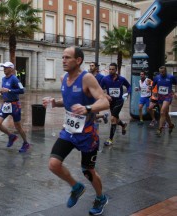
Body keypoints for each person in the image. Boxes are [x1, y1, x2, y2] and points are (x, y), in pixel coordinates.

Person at [43, 47, 109, 215]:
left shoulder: (87, 78)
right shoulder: (63, 77)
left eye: (67, 57)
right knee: (53, 164)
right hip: (69, 131)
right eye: (62, 57)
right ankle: (76, 187)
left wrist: (88, 108)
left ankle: (101, 197)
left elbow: (104, 102)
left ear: (78, 60)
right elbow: (67, 101)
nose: (63, 60)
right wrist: (53, 102)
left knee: (88, 171)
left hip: (87, 134)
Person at [0, 61, 30, 153]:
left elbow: (22, 90)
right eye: (3, 67)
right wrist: (2, 92)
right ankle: (11, 136)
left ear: (11, 69)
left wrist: (9, 90)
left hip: (15, 105)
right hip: (6, 104)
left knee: (18, 126)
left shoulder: (14, 79)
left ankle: (26, 143)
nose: (4, 69)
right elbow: (4, 90)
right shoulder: (3, 79)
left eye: (6, 67)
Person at [100, 63, 131, 146]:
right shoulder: (105, 79)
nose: (111, 71)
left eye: (113, 69)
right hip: (111, 102)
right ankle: (123, 124)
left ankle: (110, 139)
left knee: (113, 118)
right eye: (110, 69)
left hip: (119, 101)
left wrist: (127, 93)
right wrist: (106, 95)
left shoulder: (121, 79)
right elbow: (99, 90)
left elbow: (129, 86)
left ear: (116, 70)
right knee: (116, 118)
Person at [152, 66, 177, 136]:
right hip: (160, 97)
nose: (161, 73)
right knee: (165, 113)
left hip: (168, 96)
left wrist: (175, 92)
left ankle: (159, 129)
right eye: (160, 72)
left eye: (163, 72)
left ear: (165, 71)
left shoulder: (171, 77)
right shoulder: (157, 77)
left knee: (162, 112)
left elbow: (176, 83)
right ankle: (171, 125)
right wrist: (151, 89)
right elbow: (153, 85)